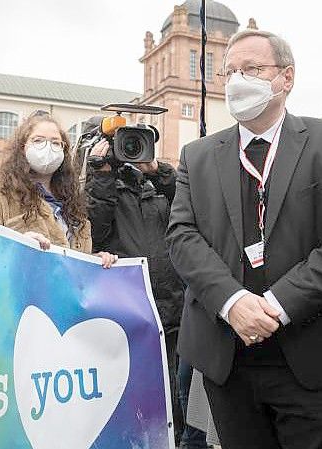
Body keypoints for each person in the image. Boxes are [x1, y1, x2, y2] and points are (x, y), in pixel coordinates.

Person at [166, 29, 322, 449]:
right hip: (228, 353)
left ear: (286, 78)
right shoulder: (199, 155)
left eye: (252, 69)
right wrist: (233, 302)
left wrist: (278, 305)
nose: (237, 80)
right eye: (228, 72)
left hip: (313, 349)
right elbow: (182, 237)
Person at [84, 140, 186, 443]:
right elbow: (95, 231)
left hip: (170, 308)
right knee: (132, 393)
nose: (130, 152)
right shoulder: (102, 188)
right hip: (128, 311)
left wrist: (156, 171)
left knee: (173, 395)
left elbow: (189, 202)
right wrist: (102, 175)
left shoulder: (155, 186)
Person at [0, 113, 116, 268]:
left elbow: (72, 261)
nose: (47, 147)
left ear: (64, 151)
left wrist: (95, 260)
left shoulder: (72, 200)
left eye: (55, 143)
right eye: (38, 140)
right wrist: (17, 247)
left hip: (63, 290)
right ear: (22, 147)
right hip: (22, 289)